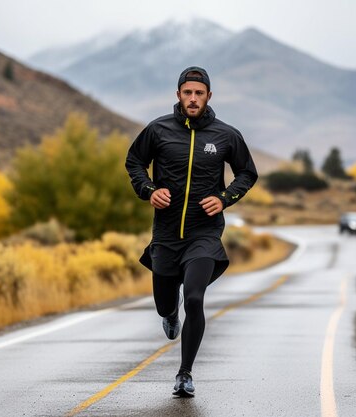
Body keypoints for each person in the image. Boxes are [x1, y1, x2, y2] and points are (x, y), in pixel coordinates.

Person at [125, 66, 258, 397]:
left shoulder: (226, 135)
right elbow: (133, 162)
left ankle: (185, 374)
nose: (193, 98)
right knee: (165, 302)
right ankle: (169, 313)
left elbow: (247, 173)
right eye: (188, 92)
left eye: (199, 93)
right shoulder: (158, 130)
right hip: (167, 236)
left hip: (204, 234)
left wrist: (225, 198)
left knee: (195, 298)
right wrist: (148, 189)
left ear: (209, 96)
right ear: (178, 95)